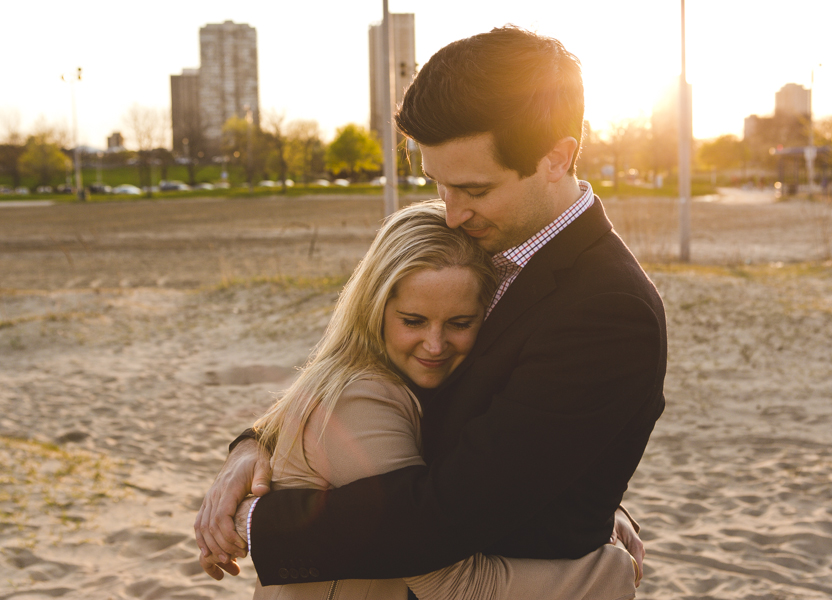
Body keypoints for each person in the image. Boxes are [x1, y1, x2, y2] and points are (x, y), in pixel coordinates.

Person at [195, 24, 666, 592]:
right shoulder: (487, 250)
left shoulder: (607, 310)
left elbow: (447, 514)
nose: (451, 213)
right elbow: (368, 361)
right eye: (439, 185)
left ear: (556, 158)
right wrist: (253, 444)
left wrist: (255, 521)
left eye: (474, 189)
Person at [244, 200, 639, 599]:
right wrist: (611, 570)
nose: (434, 345)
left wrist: (596, 514)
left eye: (459, 323)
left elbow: (473, 485)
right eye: (413, 321)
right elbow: (451, 584)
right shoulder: (358, 398)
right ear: (375, 308)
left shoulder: (434, 386)